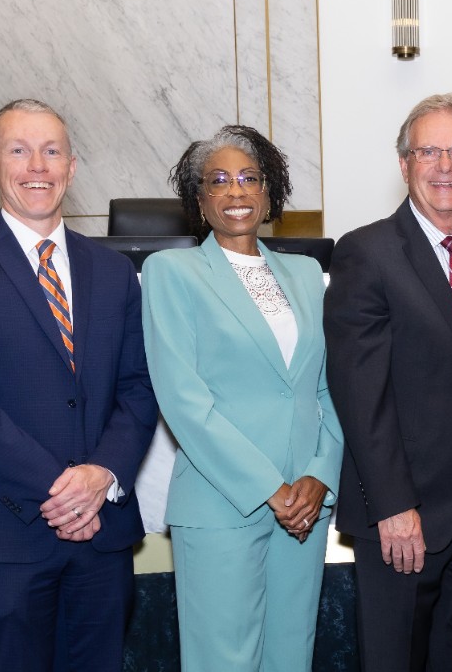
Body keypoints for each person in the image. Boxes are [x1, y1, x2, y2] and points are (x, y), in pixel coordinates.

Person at [0, 99, 159, 671]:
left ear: (72, 167)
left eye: (52, 152)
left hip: (103, 533)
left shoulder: (114, 271)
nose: (37, 166)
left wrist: (102, 475)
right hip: (6, 532)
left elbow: (140, 386)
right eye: (18, 151)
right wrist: (60, 489)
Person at [324, 92, 452, 671]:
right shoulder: (366, 253)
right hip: (402, 518)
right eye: (428, 151)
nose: (445, 165)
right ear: (404, 163)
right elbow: (361, 394)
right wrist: (393, 505)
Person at [140, 124, 345, 671]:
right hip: (221, 501)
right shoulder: (170, 272)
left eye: (250, 179)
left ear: (269, 192)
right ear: (199, 199)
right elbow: (185, 402)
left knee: (290, 656)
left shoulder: (306, 275)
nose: (236, 191)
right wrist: (270, 489)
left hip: (305, 503)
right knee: (222, 661)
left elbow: (330, 387)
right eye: (220, 181)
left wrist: (320, 475)